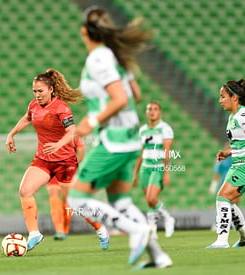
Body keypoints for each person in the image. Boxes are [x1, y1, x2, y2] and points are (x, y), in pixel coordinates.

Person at [66, 6, 172, 268]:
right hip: (129, 139)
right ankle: (158, 255)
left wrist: (91, 121)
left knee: (76, 198)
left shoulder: (98, 59)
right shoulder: (114, 57)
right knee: (121, 203)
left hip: (114, 141)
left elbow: (121, 98)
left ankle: (136, 232)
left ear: (84, 32)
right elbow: (135, 95)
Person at [5, 68, 82, 251]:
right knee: (25, 190)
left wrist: (58, 145)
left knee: (76, 203)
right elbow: (26, 118)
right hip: (45, 160)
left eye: (40, 91)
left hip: (65, 161)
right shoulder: (33, 105)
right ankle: (35, 234)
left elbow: (72, 131)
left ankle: (99, 226)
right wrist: (11, 134)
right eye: (34, 91)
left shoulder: (62, 108)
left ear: (51, 90)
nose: (37, 95)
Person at [206, 79, 245, 248]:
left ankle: (221, 240)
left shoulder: (243, 116)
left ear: (234, 97)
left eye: (222, 96)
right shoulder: (233, 116)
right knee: (228, 201)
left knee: (222, 197)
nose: (220, 100)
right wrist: (228, 152)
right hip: (237, 164)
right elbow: (243, 144)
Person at [47, 136, 109, 249]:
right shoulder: (47, 130)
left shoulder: (71, 132)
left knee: (71, 202)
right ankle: (60, 229)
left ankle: (98, 226)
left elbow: (81, 151)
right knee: (53, 191)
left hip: (69, 168)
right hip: (53, 167)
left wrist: (73, 166)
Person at [133, 101, 175, 238]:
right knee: (149, 200)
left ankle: (168, 218)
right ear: (146, 112)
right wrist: (134, 173)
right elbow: (140, 153)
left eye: (155, 109)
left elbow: (167, 152)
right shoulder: (143, 129)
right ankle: (153, 230)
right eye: (149, 109)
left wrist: (166, 172)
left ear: (160, 112)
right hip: (145, 168)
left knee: (152, 197)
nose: (152, 111)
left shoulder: (165, 129)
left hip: (158, 168)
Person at [209, 142, 232, 231]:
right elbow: (217, 172)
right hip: (224, 184)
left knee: (234, 203)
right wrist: (214, 185)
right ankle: (217, 223)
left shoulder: (236, 158)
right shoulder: (221, 158)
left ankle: (231, 223)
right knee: (221, 203)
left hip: (235, 182)